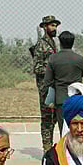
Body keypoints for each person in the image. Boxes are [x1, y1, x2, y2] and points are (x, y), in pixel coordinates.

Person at [41, 31, 83, 135]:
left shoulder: (53, 58)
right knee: (78, 129)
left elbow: (47, 81)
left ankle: (64, 150)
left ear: (60, 42)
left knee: (64, 129)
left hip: (61, 99)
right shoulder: (79, 59)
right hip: (77, 99)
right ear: (72, 42)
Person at [30, 15, 61, 149]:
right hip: (45, 88)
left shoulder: (53, 43)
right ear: (44, 27)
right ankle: (47, 148)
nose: (54, 28)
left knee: (54, 118)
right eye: (51, 25)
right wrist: (52, 70)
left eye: (55, 26)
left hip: (53, 86)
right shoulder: (41, 45)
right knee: (47, 118)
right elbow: (37, 67)